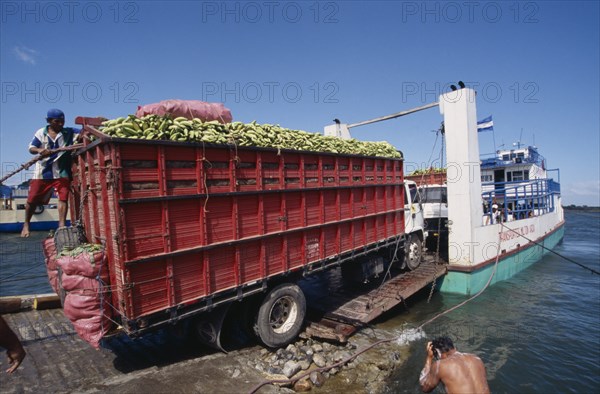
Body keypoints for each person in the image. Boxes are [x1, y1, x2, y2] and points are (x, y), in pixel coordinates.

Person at [21, 109, 78, 237]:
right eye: (57, 121)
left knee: (63, 198)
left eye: (62, 121)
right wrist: (40, 150)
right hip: (43, 172)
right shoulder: (41, 133)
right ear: (49, 121)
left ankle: (62, 225)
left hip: (61, 171)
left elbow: (83, 133)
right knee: (32, 199)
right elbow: (31, 148)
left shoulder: (69, 132)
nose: (60, 124)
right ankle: (26, 224)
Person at [419, 336, 490, 394]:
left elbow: (425, 388)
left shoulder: (440, 365)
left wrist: (429, 358)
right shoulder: (476, 359)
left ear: (438, 352)